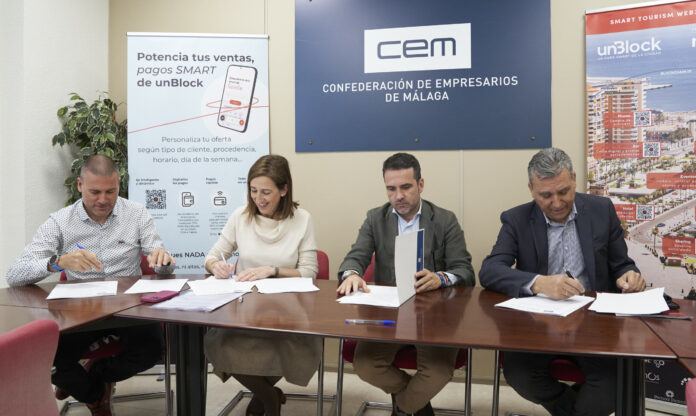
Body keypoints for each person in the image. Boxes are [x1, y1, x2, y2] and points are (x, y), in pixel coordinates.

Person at [479, 147, 646, 416]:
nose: (556, 203)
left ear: (574, 180)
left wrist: (629, 275)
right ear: (531, 190)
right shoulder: (516, 219)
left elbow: (621, 264)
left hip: (595, 323)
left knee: (612, 386)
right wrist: (539, 283)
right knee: (520, 374)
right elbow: (489, 271)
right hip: (538, 323)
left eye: (563, 192)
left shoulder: (601, 210)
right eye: (546, 195)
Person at [6, 154, 175, 416]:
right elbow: (15, 275)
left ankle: (97, 372)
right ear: (80, 185)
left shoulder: (136, 213)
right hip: (81, 311)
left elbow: (160, 259)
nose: (103, 200)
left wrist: (163, 261)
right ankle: (95, 395)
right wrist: (58, 262)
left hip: (129, 307)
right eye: (95, 192)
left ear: (119, 185)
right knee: (48, 359)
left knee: (151, 352)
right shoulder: (60, 222)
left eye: (110, 191)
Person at [337, 152, 475, 416]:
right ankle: (417, 407)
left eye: (406, 187)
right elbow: (355, 256)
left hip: (435, 317)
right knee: (365, 364)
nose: (398, 196)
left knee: (437, 371)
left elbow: (465, 271)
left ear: (420, 185)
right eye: (391, 189)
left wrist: (441, 277)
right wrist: (352, 273)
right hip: (391, 314)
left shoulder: (445, 220)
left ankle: (403, 408)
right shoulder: (375, 218)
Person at [203, 154, 320, 416]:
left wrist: (272, 270)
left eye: (266, 192)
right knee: (218, 344)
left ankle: (263, 398)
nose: (259, 198)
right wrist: (215, 265)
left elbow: (310, 272)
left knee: (292, 348)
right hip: (246, 312)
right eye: (253, 190)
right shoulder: (240, 217)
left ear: (284, 190)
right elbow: (213, 255)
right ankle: (269, 396)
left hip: (288, 314)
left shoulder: (302, 219)